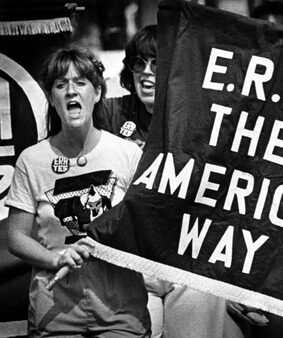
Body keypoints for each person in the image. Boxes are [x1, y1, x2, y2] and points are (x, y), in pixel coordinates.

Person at [102, 25, 247, 338]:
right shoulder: (111, 113)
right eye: (138, 64)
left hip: (190, 266)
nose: (147, 72)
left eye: (158, 62)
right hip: (131, 267)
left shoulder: (207, 119)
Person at [5, 47, 150, 337]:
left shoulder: (127, 153)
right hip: (55, 313)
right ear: (50, 97)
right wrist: (57, 259)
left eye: (80, 82)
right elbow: (16, 238)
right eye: (61, 85)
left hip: (121, 312)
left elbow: (148, 229)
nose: (71, 91)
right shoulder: (31, 160)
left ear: (96, 93)